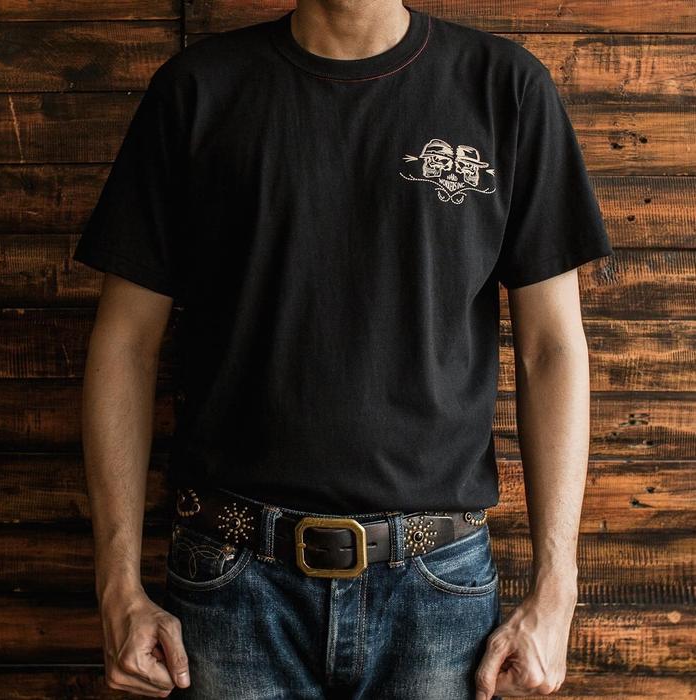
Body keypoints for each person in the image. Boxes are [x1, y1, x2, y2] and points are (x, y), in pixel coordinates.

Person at [73, 1, 614, 698]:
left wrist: (557, 589)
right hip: (232, 579)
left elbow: (552, 350)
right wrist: (116, 584)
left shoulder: (504, 86)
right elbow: (125, 343)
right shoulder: (198, 88)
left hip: (437, 589)